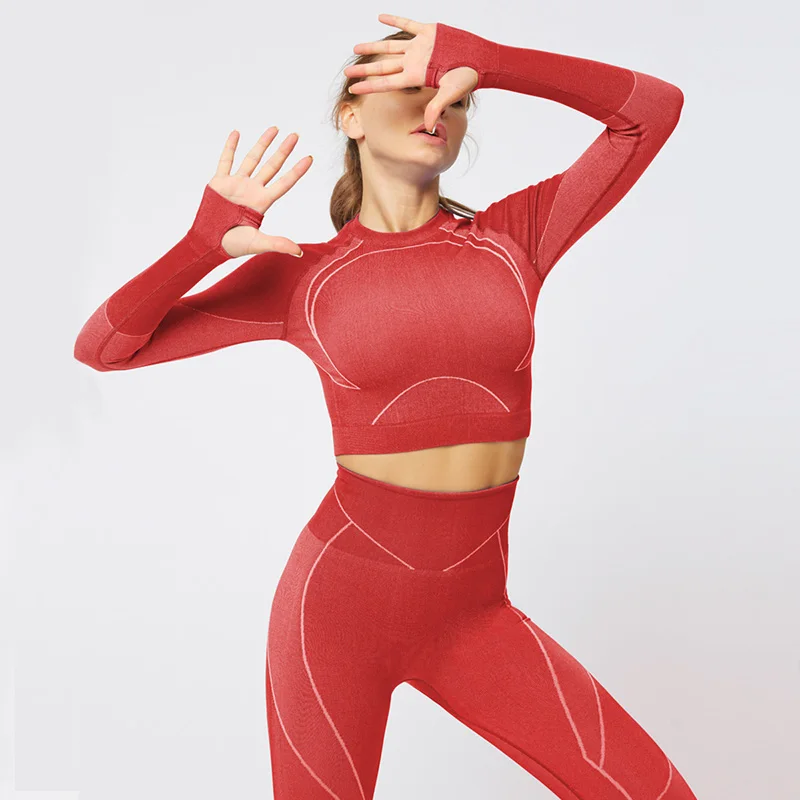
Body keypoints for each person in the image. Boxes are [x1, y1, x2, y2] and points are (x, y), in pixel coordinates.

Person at [74, 13, 697, 800]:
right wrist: (201, 244)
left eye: (456, 99)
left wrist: (494, 61)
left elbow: (653, 110)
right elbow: (105, 347)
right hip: (337, 613)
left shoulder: (518, 238)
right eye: (409, 90)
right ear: (351, 118)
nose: (438, 109)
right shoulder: (300, 276)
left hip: (474, 615)